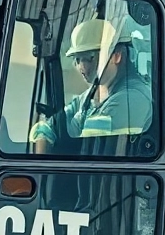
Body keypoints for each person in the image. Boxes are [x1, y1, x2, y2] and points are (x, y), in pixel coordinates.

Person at [30, 17, 152, 154]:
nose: (81, 67)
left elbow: (89, 150)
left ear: (116, 56)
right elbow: (47, 128)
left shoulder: (132, 99)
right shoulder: (91, 95)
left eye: (89, 58)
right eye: (77, 59)